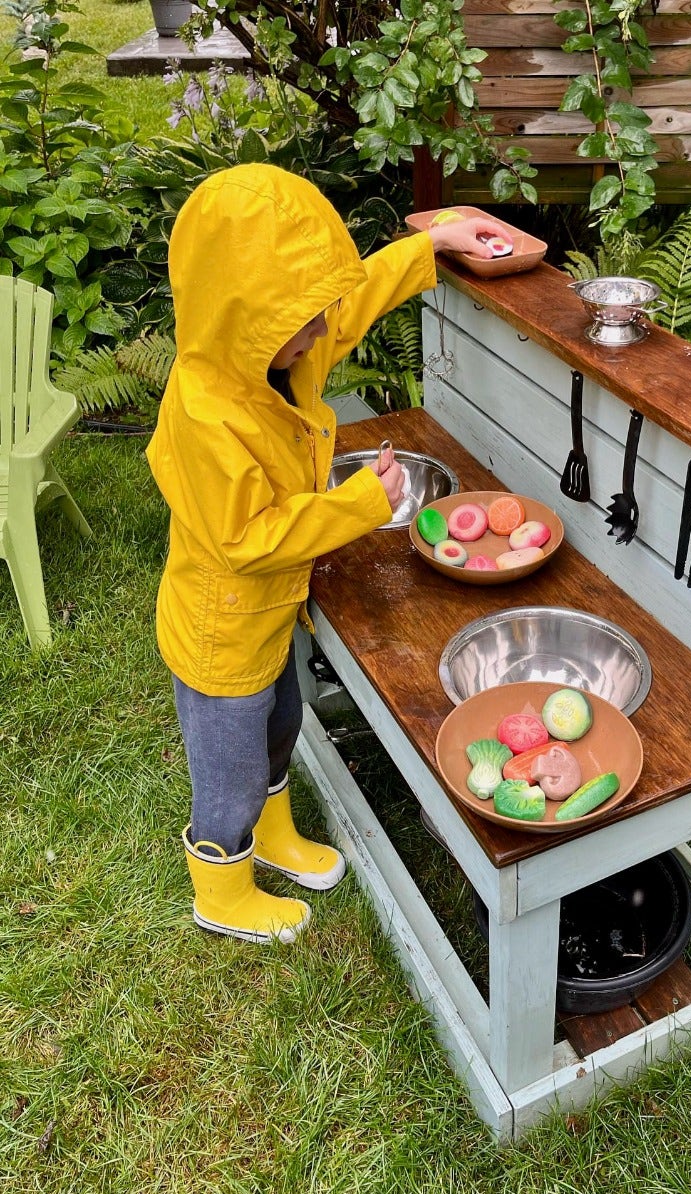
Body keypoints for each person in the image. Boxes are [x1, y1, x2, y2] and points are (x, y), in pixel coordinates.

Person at [146, 164, 509, 945]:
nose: (320, 334)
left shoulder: (271, 351)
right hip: (222, 634)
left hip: (268, 618)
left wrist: (430, 248)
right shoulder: (208, 416)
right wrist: (361, 506)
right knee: (229, 771)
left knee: (281, 722)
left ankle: (273, 836)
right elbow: (249, 542)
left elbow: (344, 311)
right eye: (300, 320)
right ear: (244, 316)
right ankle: (222, 883)